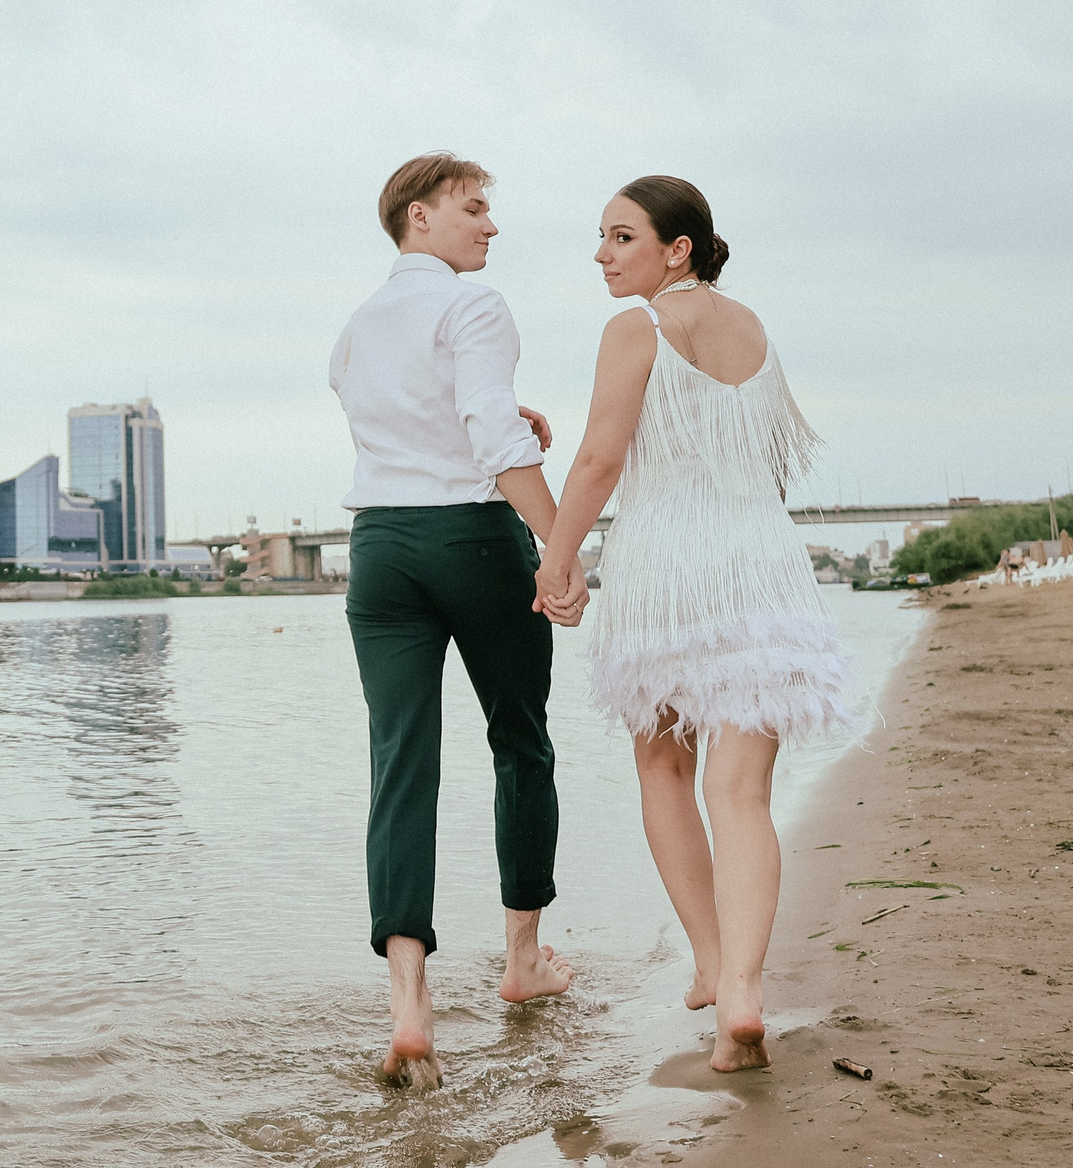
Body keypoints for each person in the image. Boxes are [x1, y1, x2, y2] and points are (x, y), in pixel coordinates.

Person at [533, 176, 854, 1073]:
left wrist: (557, 559)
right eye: (602, 237)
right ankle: (742, 991)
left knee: (665, 768)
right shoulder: (752, 328)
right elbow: (772, 466)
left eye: (621, 236)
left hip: (667, 569)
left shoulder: (634, 328)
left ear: (677, 248)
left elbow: (598, 461)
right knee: (742, 793)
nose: (602, 253)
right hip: (763, 565)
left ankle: (712, 961)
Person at [330, 152, 586, 1092]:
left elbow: (415, 419)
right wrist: (558, 547)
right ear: (419, 216)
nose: (489, 224)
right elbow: (487, 430)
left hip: (380, 549)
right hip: (473, 541)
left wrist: (500, 415)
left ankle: (409, 1004)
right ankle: (523, 960)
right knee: (520, 740)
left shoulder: (356, 327)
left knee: (399, 761)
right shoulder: (475, 307)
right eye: (473, 207)